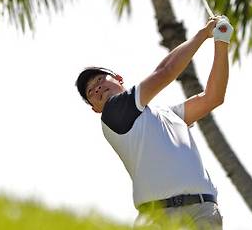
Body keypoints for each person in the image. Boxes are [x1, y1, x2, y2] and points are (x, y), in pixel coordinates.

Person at [75, 16, 233, 229]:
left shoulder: (168, 114)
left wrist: (221, 43)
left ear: (118, 78)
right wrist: (203, 34)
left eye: (100, 79)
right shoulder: (113, 113)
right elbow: (165, 71)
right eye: (91, 92)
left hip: (202, 212)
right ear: (96, 109)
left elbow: (213, 97)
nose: (97, 89)